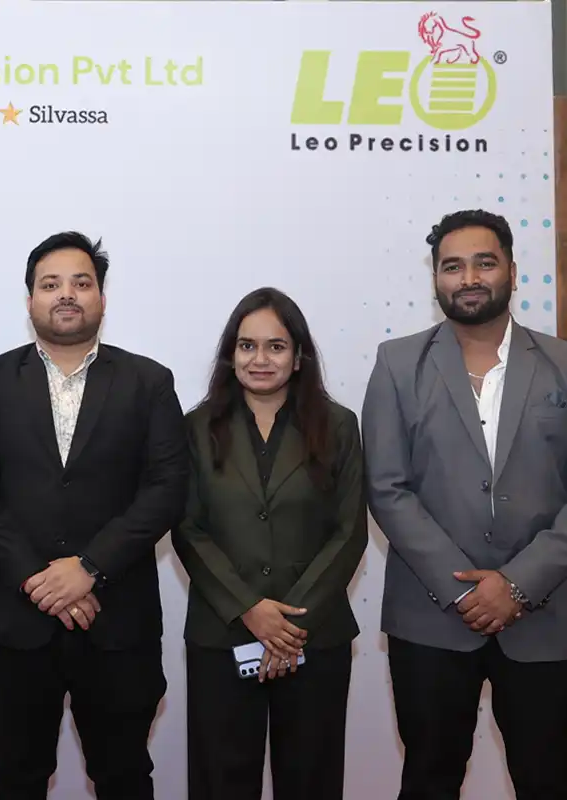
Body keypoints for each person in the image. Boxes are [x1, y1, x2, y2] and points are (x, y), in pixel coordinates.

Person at [0, 231, 189, 800]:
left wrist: (89, 567)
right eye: (50, 284)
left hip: (117, 619)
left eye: (81, 283)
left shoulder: (149, 381)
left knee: (124, 775)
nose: (66, 295)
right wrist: (38, 577)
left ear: (102, 298)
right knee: (16, 776)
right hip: (15, 620)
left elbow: (166, 488)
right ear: (30, 299)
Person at [363, 209, 567, 799]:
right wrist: (464, 590)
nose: (469, 278)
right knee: (429, 778)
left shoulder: (561, 362)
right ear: (435, 278)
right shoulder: (397, 363)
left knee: (549, 779)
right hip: (432, 618)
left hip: (546, 617)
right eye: (452, 266)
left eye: (484, 263)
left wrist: (518, 584)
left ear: (513, 272)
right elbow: (387, 486)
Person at [172, 287, 367, 800]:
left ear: (298, 356)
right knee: (220, 783)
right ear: (231, 354)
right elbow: (187, 528)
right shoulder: (195, 427)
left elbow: (349, 531)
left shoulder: (339, 425)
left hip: (314, 639)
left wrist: (289, 626)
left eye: (276, 346)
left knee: (311, 782)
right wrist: (250, 609)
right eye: (247, 346)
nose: (260, 359)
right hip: (223, 636)